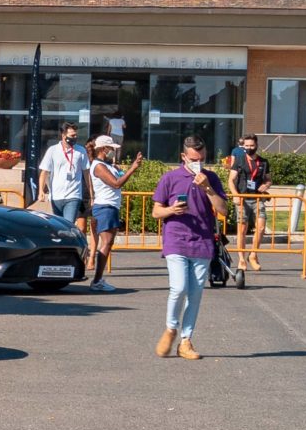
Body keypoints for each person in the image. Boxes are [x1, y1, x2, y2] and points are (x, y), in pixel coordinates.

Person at [152, 136, 228, 358]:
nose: (198, 163)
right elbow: (156, 211)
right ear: (183, 157)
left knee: (195, 294)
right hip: (176, 240)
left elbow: (223, 210)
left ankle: (186, 341)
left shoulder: (211, 178)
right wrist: (171, 210)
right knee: (179, 288)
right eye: (194, 159)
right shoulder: (170, 178)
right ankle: (170, 329)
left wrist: (207, 188)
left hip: (202, 242)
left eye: (202, 158)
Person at [86, 134, 141, 291]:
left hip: (110, 206)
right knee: (106, 243)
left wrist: (123, 171)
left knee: (108, 243)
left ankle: (98, 280)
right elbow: (116, 184)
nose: (113, 151)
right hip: (105, 207)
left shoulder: (107, 165)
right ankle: (97, 281)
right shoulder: (99, 166)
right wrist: (132, 168)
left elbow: (119, 179)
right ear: (103, 149)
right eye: (111, 148)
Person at [38, 122, 91, 240]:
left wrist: (92, 194)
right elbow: (44, 172)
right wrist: (41, 190)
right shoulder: (53, 150)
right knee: (58, 227)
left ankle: (68, 247)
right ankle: (61, 247)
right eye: (72, 135)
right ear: (63, 135)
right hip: (56, 195)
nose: (75, 138)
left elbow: (86, 173)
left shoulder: (80, 151)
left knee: (68, 225)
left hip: (73, 195)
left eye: (76, 135)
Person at [228, 132, 270, 272]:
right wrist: (235, 195)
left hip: (257, 198)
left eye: (252, 145)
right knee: (242, 229)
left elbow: (268, 179)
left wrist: (266, 185)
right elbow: (231, 180)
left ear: (256, 145)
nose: (249, 148)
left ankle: (253, 254)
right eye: (246, 145)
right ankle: (241, 258)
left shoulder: (263, 162)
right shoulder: (239, 160)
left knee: (261, 227)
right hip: (242, 198)